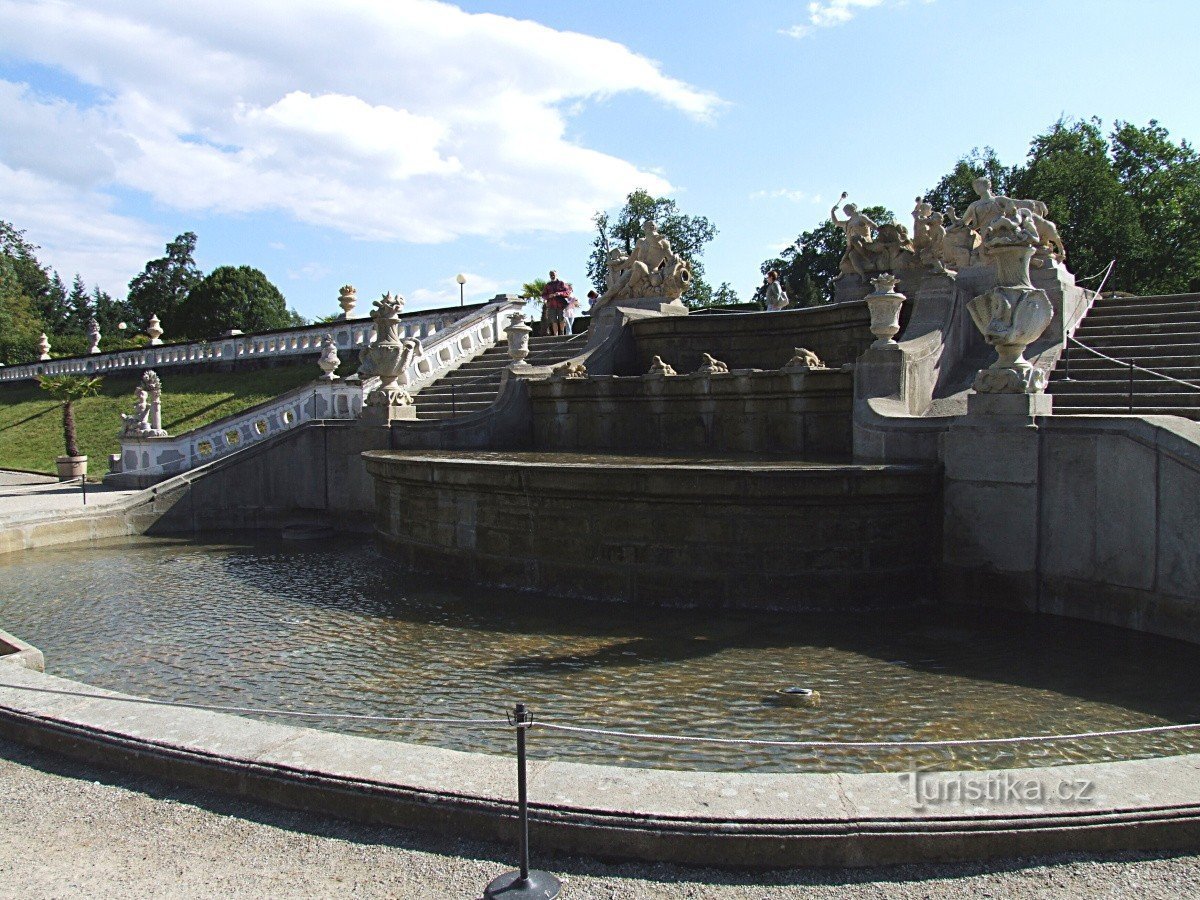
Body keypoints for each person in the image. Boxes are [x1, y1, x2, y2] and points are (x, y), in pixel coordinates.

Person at [540, 270, 573, 336]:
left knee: (562, 319)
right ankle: (555, 335)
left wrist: (559, 293)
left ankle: (562, 333)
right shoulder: (547, 285)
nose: (552, 276)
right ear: (549, 276)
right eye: (551, 275)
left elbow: (568, 292)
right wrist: (549, 296)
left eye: (553, 274)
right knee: (553, 321)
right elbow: (543, 295)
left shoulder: (561, 283)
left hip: (561, 305)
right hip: (551, 305)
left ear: (556, 275)